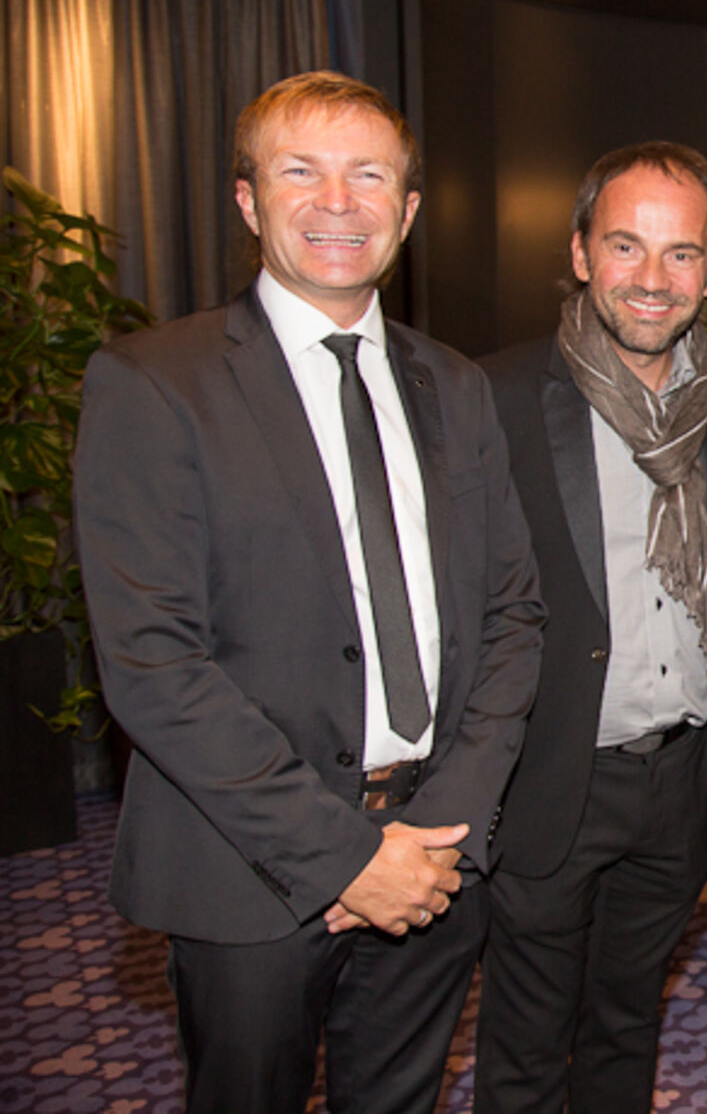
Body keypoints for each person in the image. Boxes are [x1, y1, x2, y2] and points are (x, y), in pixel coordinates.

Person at [71, 72, 544, 1114]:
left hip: (435, 855)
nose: (338, 202)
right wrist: (343, 858)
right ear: (248, 201)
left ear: (407, 211)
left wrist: (442, 831)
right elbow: (152, 664)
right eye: (301, 171)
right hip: (247, 868)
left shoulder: (455, 384)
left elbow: (512, 615)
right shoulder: (154, 383)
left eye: (368, 176)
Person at [473, 142, 707, 1111]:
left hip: (678, 782)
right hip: (552, 779)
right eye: (627, 245)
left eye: (681, 253)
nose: (653, 277)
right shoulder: (496, 397)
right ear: (582, 252)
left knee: (628, 1026)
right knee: (526, 1048)